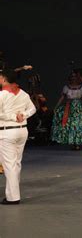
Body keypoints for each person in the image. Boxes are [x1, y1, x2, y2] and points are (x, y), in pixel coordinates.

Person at [0, 69, 36, 204]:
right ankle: (13, 192)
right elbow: (32, 109)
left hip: (7, 132)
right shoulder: (23, 93)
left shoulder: (2, 95)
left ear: (4, 79)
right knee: (15, 163)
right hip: (22, 131)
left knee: (9, 165)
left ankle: (13, 197)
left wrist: (14, 116)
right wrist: (23, 115)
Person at [51, 71, 82, 150]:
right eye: (72, 77)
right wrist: (56, 106)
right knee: (70, 125)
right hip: (69, 108)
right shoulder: (66, 87)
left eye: (75, 77)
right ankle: (72, 142)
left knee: (78, 125)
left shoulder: (81, 88)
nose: (73, 78)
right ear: (70, 78)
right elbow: (62, 97)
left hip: (79, 108)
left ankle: (77, 143)